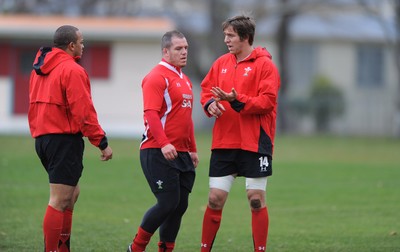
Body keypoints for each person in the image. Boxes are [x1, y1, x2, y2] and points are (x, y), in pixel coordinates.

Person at [28, 25, 113, 252]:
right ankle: (53, 249)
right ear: (71, 45)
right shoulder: (73, 70)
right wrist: (101, 142)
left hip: (43, 139)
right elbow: (83, 112)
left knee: (71, 194)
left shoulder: (39, 69)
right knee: (58, 199)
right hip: (63, 140)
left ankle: (63, 247)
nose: (83, 46)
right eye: (81, 42)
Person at [199, 15, 281, 252]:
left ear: (245, 37)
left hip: (255, 143)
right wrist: (209, 104)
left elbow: (267, 102)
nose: (226, 40)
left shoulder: (266, 66)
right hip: (224, 142)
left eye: (230, 35)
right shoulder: (221, 63)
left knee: (256, 199)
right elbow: (206, 91)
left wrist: (237, 100)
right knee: (214, 199)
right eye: (225, 35)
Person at [126, 30, 199, 252]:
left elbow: (186, 119)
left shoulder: (185, 80)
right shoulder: (157, 77)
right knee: (167, 202)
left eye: (186, 48)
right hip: (157, 150)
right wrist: (164, 142)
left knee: (179, 206)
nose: (184, 52)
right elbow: (150, 114)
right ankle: (136, 248)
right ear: (165, 51)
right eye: (179, 48)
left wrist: (192, 148)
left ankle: (166, 249)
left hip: (182, 153)